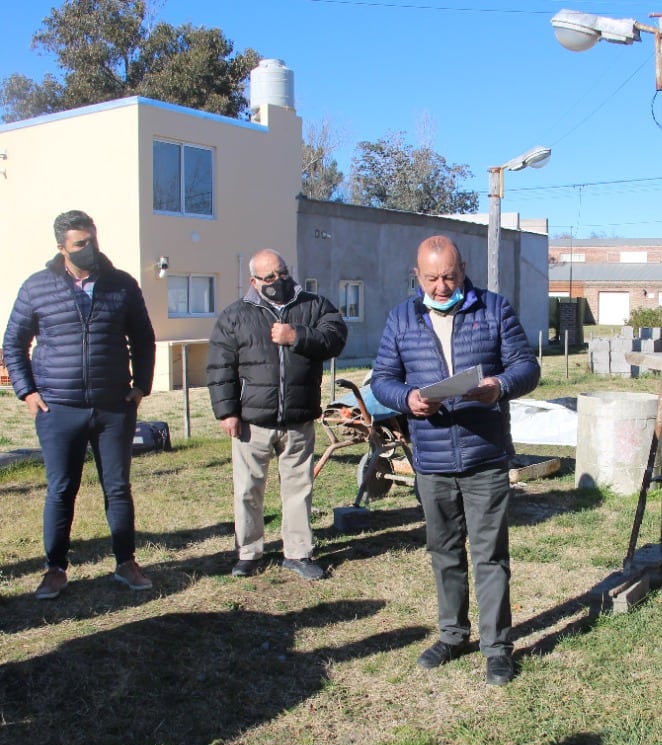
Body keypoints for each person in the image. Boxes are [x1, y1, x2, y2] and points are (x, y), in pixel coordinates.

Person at [370, 235, 540, 686]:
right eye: (431, 278)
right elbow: (382, 379)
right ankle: (452, 634)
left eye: (449, 276)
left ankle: (497, 647)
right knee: (444, 552)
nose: (442, 287)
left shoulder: (494, 308)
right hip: (432, 458)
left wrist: (499, 386)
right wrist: (406, 399)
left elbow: (527, 366)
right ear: (417, 275)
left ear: (463, 269)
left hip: (484, 454)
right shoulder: (402, 318)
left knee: (489, 555)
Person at [4, 209, 157, 600]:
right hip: (58, 408)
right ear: (61, 247)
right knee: (61, 489)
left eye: (93, 240)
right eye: (80, 243)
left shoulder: (121, 285)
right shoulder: (37, 287)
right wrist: (27, 391)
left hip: (113, 408)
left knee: (118, 487)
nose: (90, 248)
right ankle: (55, 569)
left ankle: (126, 563)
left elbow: (143, 338)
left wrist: (141, 385)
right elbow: (13, 343)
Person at [207, 249, 347, 581]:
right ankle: (249, 552)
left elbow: (336, 338)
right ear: (254, 281)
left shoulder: (314, 306)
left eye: (282, 273)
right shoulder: (236, 315)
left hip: (298, 417)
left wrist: (297, 336)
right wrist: (227, 411)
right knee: (248, 490)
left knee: (299, 488)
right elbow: (219, 366)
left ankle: (298, 552)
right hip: (251, 420)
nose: (278, 281)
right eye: (269, 277)